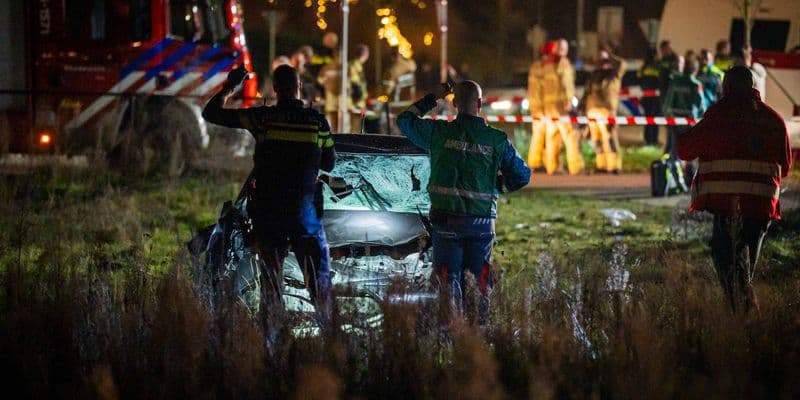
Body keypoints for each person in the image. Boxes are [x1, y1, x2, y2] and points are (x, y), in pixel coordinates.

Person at [202, 65, 336, 332]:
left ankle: (271, 346)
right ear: (299, 87)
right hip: (304, 214)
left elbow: (211, 113)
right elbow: (330, 165)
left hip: (268, 212)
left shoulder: (262, 119)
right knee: (319, 284)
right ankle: (333, 345)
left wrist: (231, 86)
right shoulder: (317, 122)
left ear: (275, 89)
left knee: (271, 283)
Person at [396, 80, 531, 324]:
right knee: (478, 285)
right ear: (479, 104)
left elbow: (404, 121)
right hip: (481, 226)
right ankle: (477, 338)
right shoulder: (497, 140)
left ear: (455, 103)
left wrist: (432, 98)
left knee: (448, 285)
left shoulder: (439, 133)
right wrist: (497, 187)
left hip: (446, 224)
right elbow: (522, 176)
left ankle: (449, 337)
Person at [677, 66, 791, 313]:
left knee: (728, 264)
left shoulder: (718, 116)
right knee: (744, 270)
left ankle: (744, 320)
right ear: (752, 87)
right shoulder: (773, 120)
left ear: (726, 88)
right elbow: (786, 166)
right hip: (762, 207)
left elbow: (684, 149)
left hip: (727, 205)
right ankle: (747, 322)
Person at [581, 48, 626, 173]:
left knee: (610, 139)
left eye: (604, 60)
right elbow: (586, 93)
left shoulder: (614, 75)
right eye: (599, 60)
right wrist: (582, 108)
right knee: (597, 140)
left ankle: (614, 166)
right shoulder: (593, 76)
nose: (602, 63)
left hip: (607, 112)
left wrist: (610, 56)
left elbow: (622, 64)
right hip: (592, 111)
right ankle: (601, 165)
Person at [662, 56, 708, 159]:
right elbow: (702, 106)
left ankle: (675, 172)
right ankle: (689, 172)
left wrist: (667, 115)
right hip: (690, 121)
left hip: (675, 120)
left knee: (675, 148)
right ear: (695, 70)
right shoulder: (696, 85)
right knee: (691, 150)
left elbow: (668, 102)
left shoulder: (675, 82)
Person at [637, 47, 662, 146]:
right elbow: (661, 81)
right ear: (654, 55)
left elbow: (638, 80)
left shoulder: (643, 67)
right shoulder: (657, 67)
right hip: (655, 98)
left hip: (645, 97)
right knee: (655, 119)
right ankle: (654, 141)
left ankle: (647, 140)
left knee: (647, 119)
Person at [349, 44, 370, 133]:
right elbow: (355, 86)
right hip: (356, 104)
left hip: (357, 103)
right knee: (355, 130)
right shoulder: (354, 66)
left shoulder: (355, 65)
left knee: (357, 129)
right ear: (365, 55)